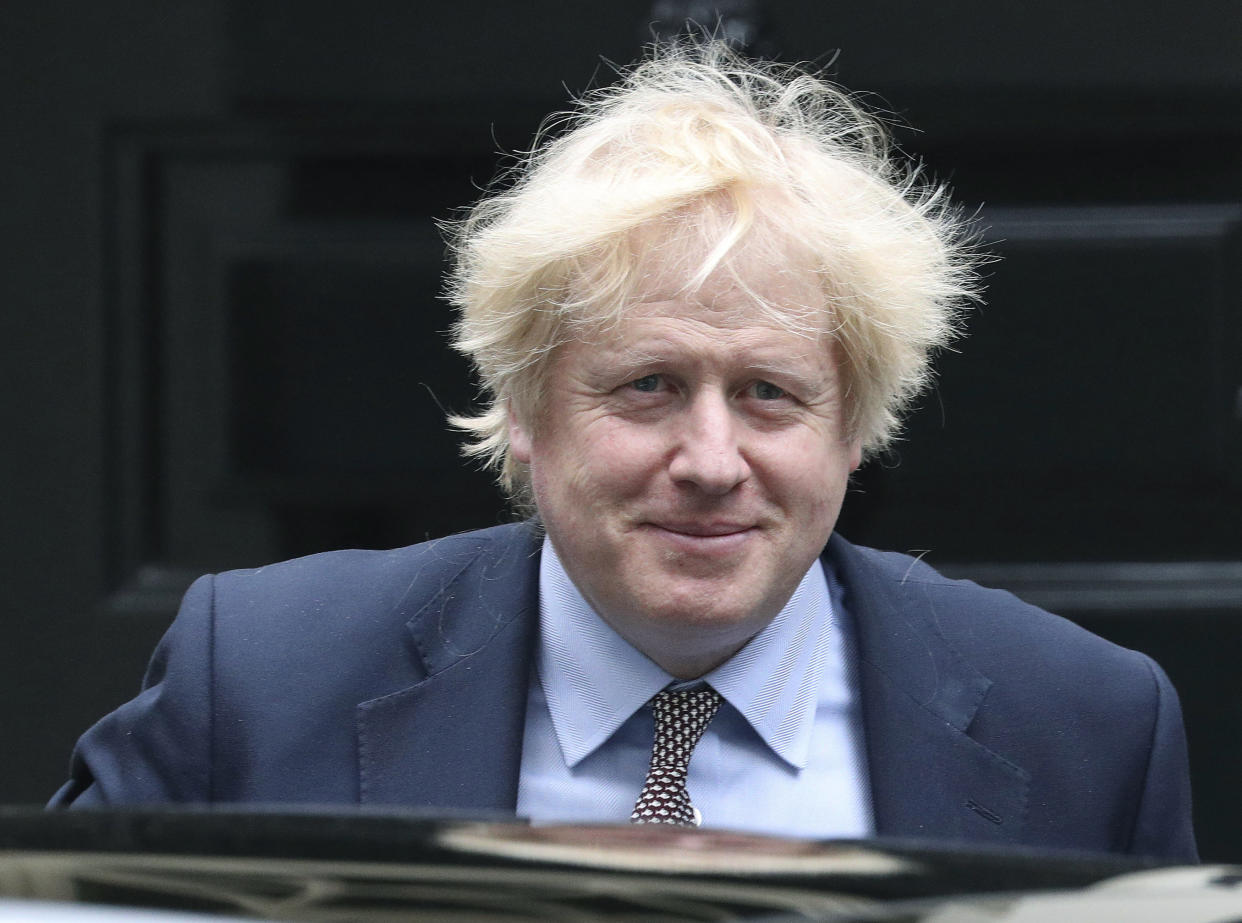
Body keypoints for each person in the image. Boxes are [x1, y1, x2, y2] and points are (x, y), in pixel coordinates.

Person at [51, 43, 1197, 860]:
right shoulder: (254, 678)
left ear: (855, 430)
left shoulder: (1086, 724)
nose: (710, 457)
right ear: (523, 410)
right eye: (648, 386)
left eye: (769, 394)